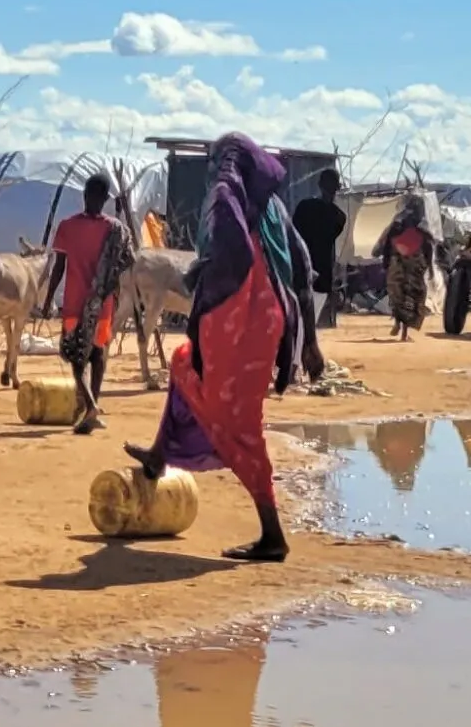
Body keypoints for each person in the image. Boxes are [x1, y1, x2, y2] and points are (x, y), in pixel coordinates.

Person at [128, 133, 324, 562]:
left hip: (236, 321)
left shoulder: (224, 197)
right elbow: (303, 263)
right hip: (267, 321)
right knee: (185, 365)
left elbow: (228, 253)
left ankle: (272, 535)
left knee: (238, 424)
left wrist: (201, 279)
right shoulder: (271, 207)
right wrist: (309, 338)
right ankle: (160, 454)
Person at [43, 172, 134, 435]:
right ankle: (91, 408)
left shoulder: (68, 226)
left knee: (79, 356)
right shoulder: (115, 230)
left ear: (85, 195)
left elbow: (59, 268)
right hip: (101, 304)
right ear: (105, 199)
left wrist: (49, 299)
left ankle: (90, 408)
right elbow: (125, 263)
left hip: (76, 302)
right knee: (95, 354)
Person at [291, 168, 347, 329]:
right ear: (337, 188)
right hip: (322, 275)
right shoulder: (339, 216)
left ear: (320, 185)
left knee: (299, 320)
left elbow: (293, 235)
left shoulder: (304, 207)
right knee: (314, 323)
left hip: (302, 269)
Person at [379, 193, 436, 341]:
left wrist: (386, 263)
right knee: (413, 297)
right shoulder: (422, 224)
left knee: (397, 296)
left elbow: (386, 245)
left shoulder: (397, 223)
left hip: (396, 264)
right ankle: (404, 332)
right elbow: (428, 247)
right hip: (414, 267)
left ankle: (398, 323)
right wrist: (430, 268)